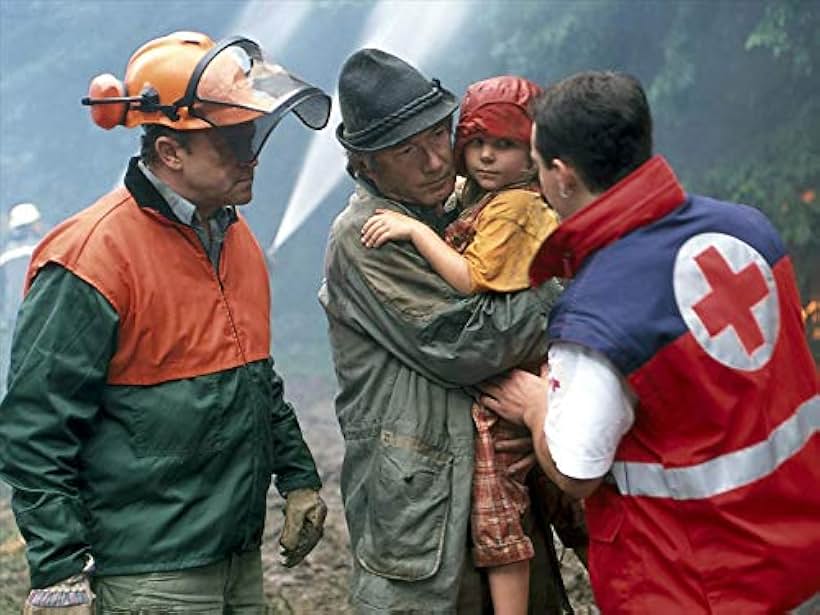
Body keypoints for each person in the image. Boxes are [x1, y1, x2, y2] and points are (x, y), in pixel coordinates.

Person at [0, 31, 333, 613]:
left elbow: (255, 376)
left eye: (250, 135)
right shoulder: (92, 257)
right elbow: (35, 428)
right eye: (231, 142)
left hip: (235, 554)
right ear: (170, 152)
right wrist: (57, 573)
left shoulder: (234, 237)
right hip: (148, 570)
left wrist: (298, 477)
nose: (251, 155)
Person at [479, 70, 820, 613]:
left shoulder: (599, 313)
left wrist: (537, 406)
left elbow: (576, 471)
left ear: (563, 176)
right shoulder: (747, 230)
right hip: (802, 558)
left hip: (695, 586)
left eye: (538, 165)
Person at [319, 49, 567, 614]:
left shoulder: (467, 208)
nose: (436, 161)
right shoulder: (366, 237)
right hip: (422, 520)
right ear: (364, 164)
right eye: (408, 150)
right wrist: (558, 286)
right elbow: (472, 344)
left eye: (438, 135)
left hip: (494, 495)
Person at [0, 202, 44, 396]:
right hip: (40, 320)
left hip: (11, 324)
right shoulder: (42, 251)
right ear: (32, 225)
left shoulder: (4, 259)